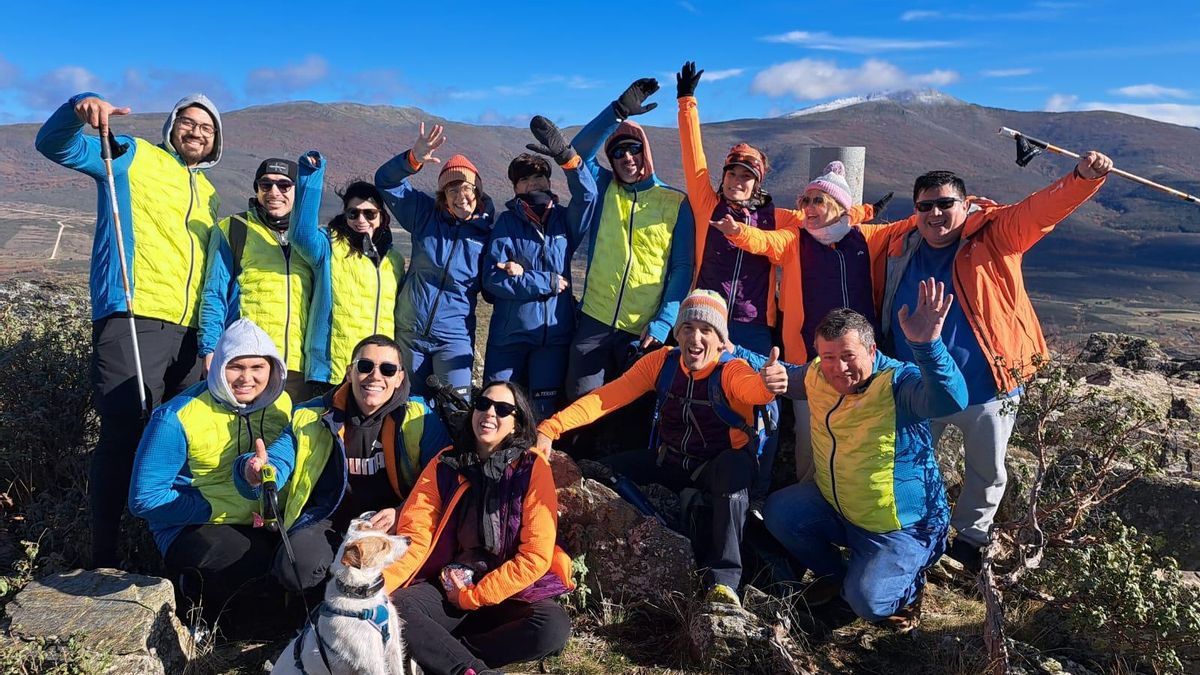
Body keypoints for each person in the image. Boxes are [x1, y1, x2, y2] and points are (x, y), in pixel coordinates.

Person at [869, 152, 1112, 572]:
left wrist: (1081, 178)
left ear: (966, 206)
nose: (936, 213)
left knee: (986, 467)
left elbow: (1039, 212)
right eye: (925, 206)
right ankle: (916, 531)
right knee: (908, 461)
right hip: (919, 385)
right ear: (915, 212)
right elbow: (840, 228)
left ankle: (970, 539)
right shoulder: (899, 244)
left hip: (990, 384)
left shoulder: (997, 235)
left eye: (946, 203)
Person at [36, 91, 222, 569]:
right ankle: (104, 556)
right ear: (172, 126)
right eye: (189, 122)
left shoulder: (210, 194)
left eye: (207, 127)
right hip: (132, 313)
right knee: (124, 431)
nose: (197, 131)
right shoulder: (132, 155)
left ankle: (160, 551)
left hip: (187, 332)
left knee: (175, 438)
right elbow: (54, 145)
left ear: (215, 140)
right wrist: (77, 109)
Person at [537, 290, 787, 605]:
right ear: (677, 332)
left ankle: (724, 583)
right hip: (668, 460)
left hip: (715, 469)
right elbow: (606, 398)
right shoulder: (662, 362)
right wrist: (551, 427)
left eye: (706, 330)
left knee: (735, 470)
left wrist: (767, 384)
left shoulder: (732, 370)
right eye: (687, 328)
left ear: (722, 340)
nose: (695, 338)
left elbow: (753, 391)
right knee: (600, 471)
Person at [763, 283, 968, 632]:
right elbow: (790, 378)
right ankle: (836, 575)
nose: (838, 368)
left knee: (869, 603)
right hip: (839, 506)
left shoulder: (898, 385)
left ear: (872, 350)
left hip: (899, 527)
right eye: (828, 357)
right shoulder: (817, 374)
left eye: (848, 356)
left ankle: (909, 588)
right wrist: (733, 352)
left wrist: (927, 346)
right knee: (779, 513)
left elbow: (950, 401)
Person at [379, 381, 574, 675]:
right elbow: (415, 535)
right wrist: (379, 589)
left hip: (506, 591)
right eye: (482, 404)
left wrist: (474, 596)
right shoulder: (446, 462)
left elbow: (535, 556)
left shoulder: (533, 468)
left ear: (516, 424)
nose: (489, 413)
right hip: (449, 586)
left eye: (503, 409)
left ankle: (439, 656)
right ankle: (468, 670)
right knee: (397, 607)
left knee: (552, 627)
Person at [235, 334, 452, 595]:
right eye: (365, 366)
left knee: (401, 584)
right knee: (295, 570)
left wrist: (402, 510)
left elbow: (445, 477)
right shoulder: (312, 414)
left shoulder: (420, 417)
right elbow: (277, 459)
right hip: (330, 517)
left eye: (387, 369)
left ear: (400, 378)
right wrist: (253, 471)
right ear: (350, 372)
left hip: (393, 522)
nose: (375, 376)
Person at [718, 162, 883, 483]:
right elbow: (764, 241)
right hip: (809, 363)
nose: (807, 208)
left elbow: (909, 225)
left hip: (861, 362)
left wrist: (969, 207)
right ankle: (807, 501)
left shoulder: (866, 239)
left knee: (860, 441)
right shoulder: (795, 239)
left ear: (838, 206)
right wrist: (738, 232)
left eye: (817, 200)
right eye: (804, 201)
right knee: (810, 441)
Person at [127, 318, 293, 630]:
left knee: (292, 564)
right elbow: (144, 500)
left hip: (260, 519)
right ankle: (197, 609)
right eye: (236, 367)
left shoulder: (281, 404)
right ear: (218, 367)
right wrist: (219, 507)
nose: (247, 378)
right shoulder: (175, 417)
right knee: (249, 564)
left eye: (257, 367)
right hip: (189, 525)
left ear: (273, 368)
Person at [565, 78, 694, 401]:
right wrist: (617, 112)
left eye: (633, 148)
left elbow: (681, 268)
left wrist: (665, 321)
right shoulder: (604, 188)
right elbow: (578, 152)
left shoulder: (675, 202)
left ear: (645, 151)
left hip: (644, 330)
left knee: (631, 414)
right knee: (581, 405)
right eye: (618, 151)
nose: (627, 157)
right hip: (594, 320)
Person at [482, 117, 597, 417]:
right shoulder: (506, 223)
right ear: (515, 186)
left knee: (543, 415)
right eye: (524, 179)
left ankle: (537, 465)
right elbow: (493, 279)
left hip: (553, 340)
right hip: (509, 340)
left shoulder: (563, 221)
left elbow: (588, 195)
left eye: (538, 176)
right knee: (496, 410)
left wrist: (566, 157)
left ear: (550, 181)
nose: (533, 183)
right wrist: (545, 282)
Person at [375, 126, 496, 401]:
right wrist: (413, 159)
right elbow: (386, 181)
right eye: (451, 189)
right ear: (443, 195)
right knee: (406, 406)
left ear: (477, 190)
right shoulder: (425, 215)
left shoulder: (489, 232)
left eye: (465, 187)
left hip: (453, 337)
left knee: (455, 409)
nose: (459, 195)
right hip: (410, 333)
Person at [200, 158, 314, 402]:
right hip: (247, 363)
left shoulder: (311, 238)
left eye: (284, 185)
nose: (274, 192)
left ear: (298, 191)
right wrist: (209, 349)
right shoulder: (233, 228)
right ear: (256, 189)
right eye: (266, 185)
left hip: (299, 365)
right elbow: (214, 293)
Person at [290, 153, 406, 391]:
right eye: (353, 213)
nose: (361, 219)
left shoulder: (393, 260)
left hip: (375, 373)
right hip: (331, 371)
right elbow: (300, 234)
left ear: (382, 217)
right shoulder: (329, 247)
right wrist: (311, 176)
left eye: (369, 213)